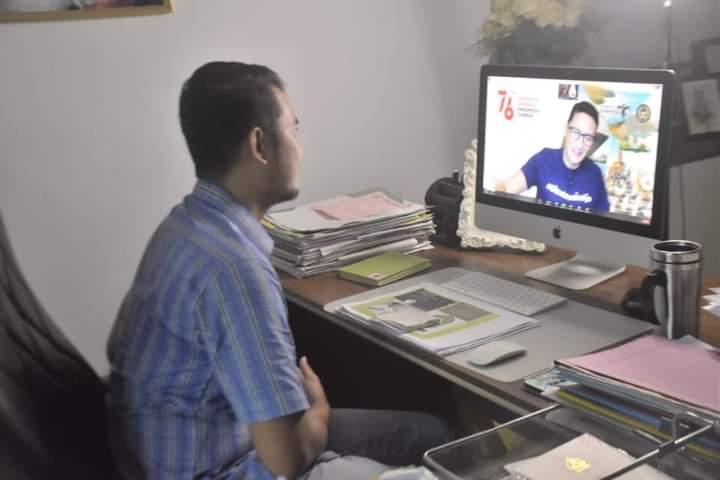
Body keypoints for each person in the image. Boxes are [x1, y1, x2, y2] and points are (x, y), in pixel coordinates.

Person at [105, 61, 452, 480]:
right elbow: (285, 460)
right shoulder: (235, 269)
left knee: (433, 434)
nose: (299, 150)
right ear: (260, 145)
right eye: (293, 130)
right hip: (227, 468)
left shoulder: (184, 226)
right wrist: (318, 411)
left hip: (183, 448)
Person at [495, 101, 610, 212]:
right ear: (566, 129)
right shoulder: (544, 159)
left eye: (588, 138)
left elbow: (603, 220)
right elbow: (506, 188)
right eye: (576, 132)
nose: (580, 144)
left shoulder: (595, 174)